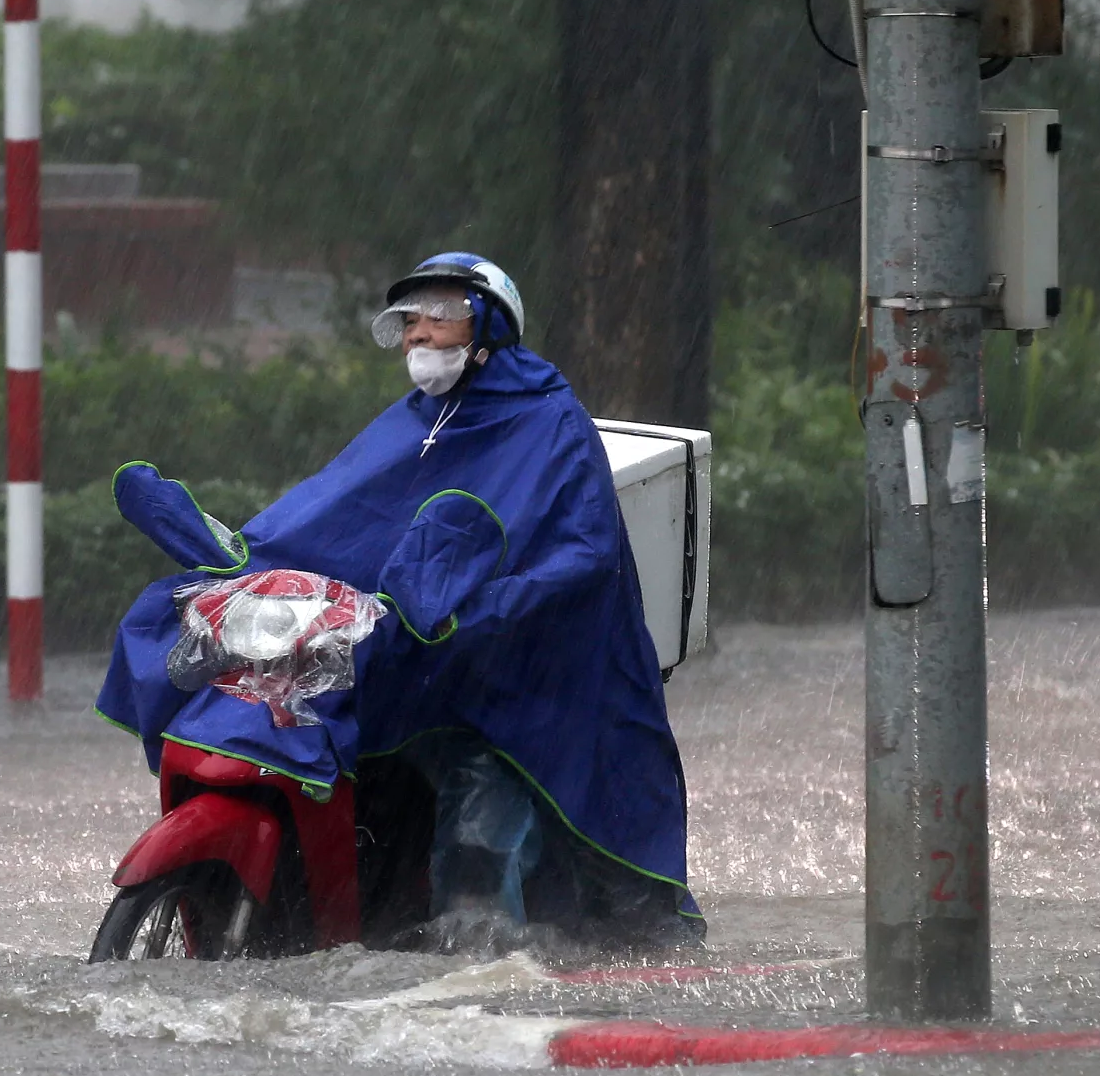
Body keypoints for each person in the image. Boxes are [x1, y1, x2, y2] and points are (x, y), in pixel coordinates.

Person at [96, 252, 700, 951]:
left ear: (488, 327)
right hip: (426, 658)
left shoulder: (550, 422)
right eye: (410, 319)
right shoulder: (412, 422)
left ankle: (481, 978)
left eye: (438, 316)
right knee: (317, 726)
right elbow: (333, 517)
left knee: (478, 827)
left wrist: (476, 615)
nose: (418, 333)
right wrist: (246, 558)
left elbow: (584, 557)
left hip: (521, 680)